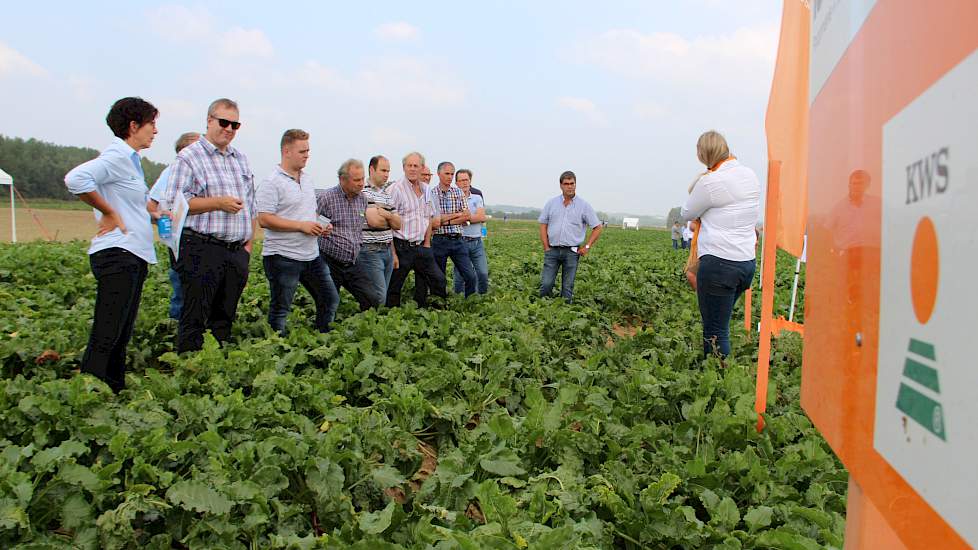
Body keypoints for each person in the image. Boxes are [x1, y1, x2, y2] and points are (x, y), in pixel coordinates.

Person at [64, 97, 159, 392]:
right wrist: (107, 211)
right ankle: (89, 393)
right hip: (118, 253)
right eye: (151, 124)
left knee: (122, 330)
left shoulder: (131, 161)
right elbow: (75, 179)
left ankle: (114, 388)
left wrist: (155, 214)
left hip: (132, 254)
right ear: (133, 126)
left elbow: (131, 205)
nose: (155, 131)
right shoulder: (117, 156)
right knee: (108, 331)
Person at [164, 98, 256, 353]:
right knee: (195, 314)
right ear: (209, 121)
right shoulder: (189, 157)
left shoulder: (240, 159)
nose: (229, 129)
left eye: (234, 125)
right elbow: (175, 203)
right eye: (223, 122)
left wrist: (248, 245)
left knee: (225, 314)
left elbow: (251, 205)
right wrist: (217, 203)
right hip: (202, 247)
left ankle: (218, 366)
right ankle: (190, 369)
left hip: (235, 250)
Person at [680, 130, 760, 358]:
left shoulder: (711, 182)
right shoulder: (749, 175)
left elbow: (688, 211)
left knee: (715, 331)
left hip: (719, 264)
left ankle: (718, 382)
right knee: (720, 323)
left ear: (703, 155)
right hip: (745, 264)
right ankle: (717, 374)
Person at [256, 129, 339, 335]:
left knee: (329, 298)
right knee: (281, 309)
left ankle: (322, 339)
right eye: (302, 150)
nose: (306, 155)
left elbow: (308, 212)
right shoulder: (272, 182)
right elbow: (264, 219)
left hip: (310, 254)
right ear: (286, 151)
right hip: (283, 256)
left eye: (308, 150)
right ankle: (276, 350)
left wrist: (319, 226)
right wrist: (300, 226)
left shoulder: (308, 180)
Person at [146, 131, 200, 320]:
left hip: (205, 241)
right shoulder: (172, 171)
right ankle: (177, 331)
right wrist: (165, 221)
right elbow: (151, 204)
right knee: (182, 290)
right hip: (182, 240)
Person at [316, 159, 382, 312]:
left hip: (353, 261)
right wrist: (321, 226)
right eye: (356, 180)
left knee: (372, 299)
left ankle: (362, 329)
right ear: (342, 179)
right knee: (329, 303)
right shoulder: (327, 198)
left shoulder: (362, 200)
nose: (361, 183)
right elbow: (313, 220)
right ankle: (325, 332)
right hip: (329, 260)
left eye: (362, 179)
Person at [386, 152, 446, 307]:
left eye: (416, 166)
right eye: (409, 165)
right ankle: (390, 319)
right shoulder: (395, 189)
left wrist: (426, 244)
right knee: (394, 286)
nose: (412, 169)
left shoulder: (426, 190)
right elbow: (388, 223)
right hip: (401, 246)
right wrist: (393, 253)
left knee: (438, 279)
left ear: (422, 168)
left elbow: (429, 217)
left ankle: (436, 313)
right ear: (404, 167)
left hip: (421, 247)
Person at [538, 170, 603, 303]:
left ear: (575, 184)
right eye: (566, 183)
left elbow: (597, 227)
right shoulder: (552, 203)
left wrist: (587, 246)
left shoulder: (583, 206)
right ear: (561, 185)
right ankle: (545, 311)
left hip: (572, 252)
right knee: (546, 284)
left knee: (567, 288)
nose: (570, 186)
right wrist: (546, 246)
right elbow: (543, 224)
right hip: (552, 250)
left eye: (572, 183)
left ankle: (564, 316)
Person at [357, 155, 402, 305]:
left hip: (387, 250)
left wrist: (386, 214)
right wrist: (390, 219)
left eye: (388, 171)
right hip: (370, 251)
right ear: (371, 169)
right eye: (383, 170)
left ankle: (373, 323)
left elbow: (398, 224)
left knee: (381, 295)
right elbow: (375, 222)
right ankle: (369, 325)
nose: (386, 174)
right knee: (378, 297)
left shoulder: (386, 195)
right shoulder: (363, 193)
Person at [429, 161, 477, 297]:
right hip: (440, 240)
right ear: (439, 174)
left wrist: (446, 219)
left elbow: (466, 216)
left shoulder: (458, 192)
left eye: (451, 174)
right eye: (446, 174)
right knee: (439, 278)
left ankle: (470, 303)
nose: (449, 177)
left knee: (470, 275)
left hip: (458, 240)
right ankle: (439, 304)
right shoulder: (432, 194)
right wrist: (457, 215)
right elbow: (436, 221)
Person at [453, 169, 489, 294]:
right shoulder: (453, 199)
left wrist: (465, 218)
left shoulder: (477, 197)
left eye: (466, 180)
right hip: (460, 242)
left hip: (477, 241)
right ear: (456, 183)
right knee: (459, 276)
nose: (464, 183)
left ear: (470, 181)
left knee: (483, 273)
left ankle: (481, 299)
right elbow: (454, 219)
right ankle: (458, 300)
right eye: (461, 180)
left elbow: (482, 217)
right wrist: (470, 218)